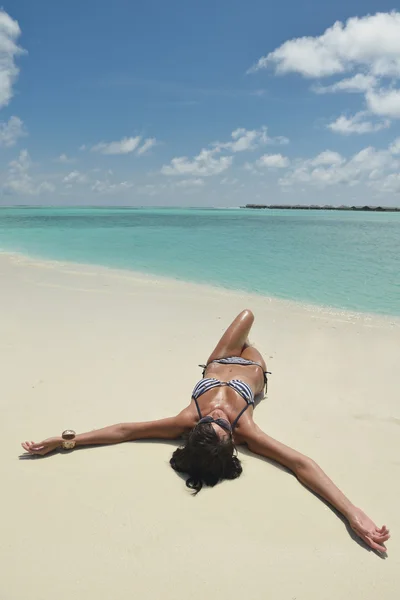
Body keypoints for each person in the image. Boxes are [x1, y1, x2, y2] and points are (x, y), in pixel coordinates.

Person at [21, 309, 389, 553]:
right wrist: (351, 512)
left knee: (247, 314)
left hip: (217, 359)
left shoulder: (187, 419)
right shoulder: (246, 428)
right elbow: (300, 464)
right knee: (251, 340)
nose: (215, 413)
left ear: (196, 428)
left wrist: (65, 440)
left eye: (209, 421)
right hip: (251, 366)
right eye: (221, 425)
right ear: (233, 441)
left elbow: (125, 430)